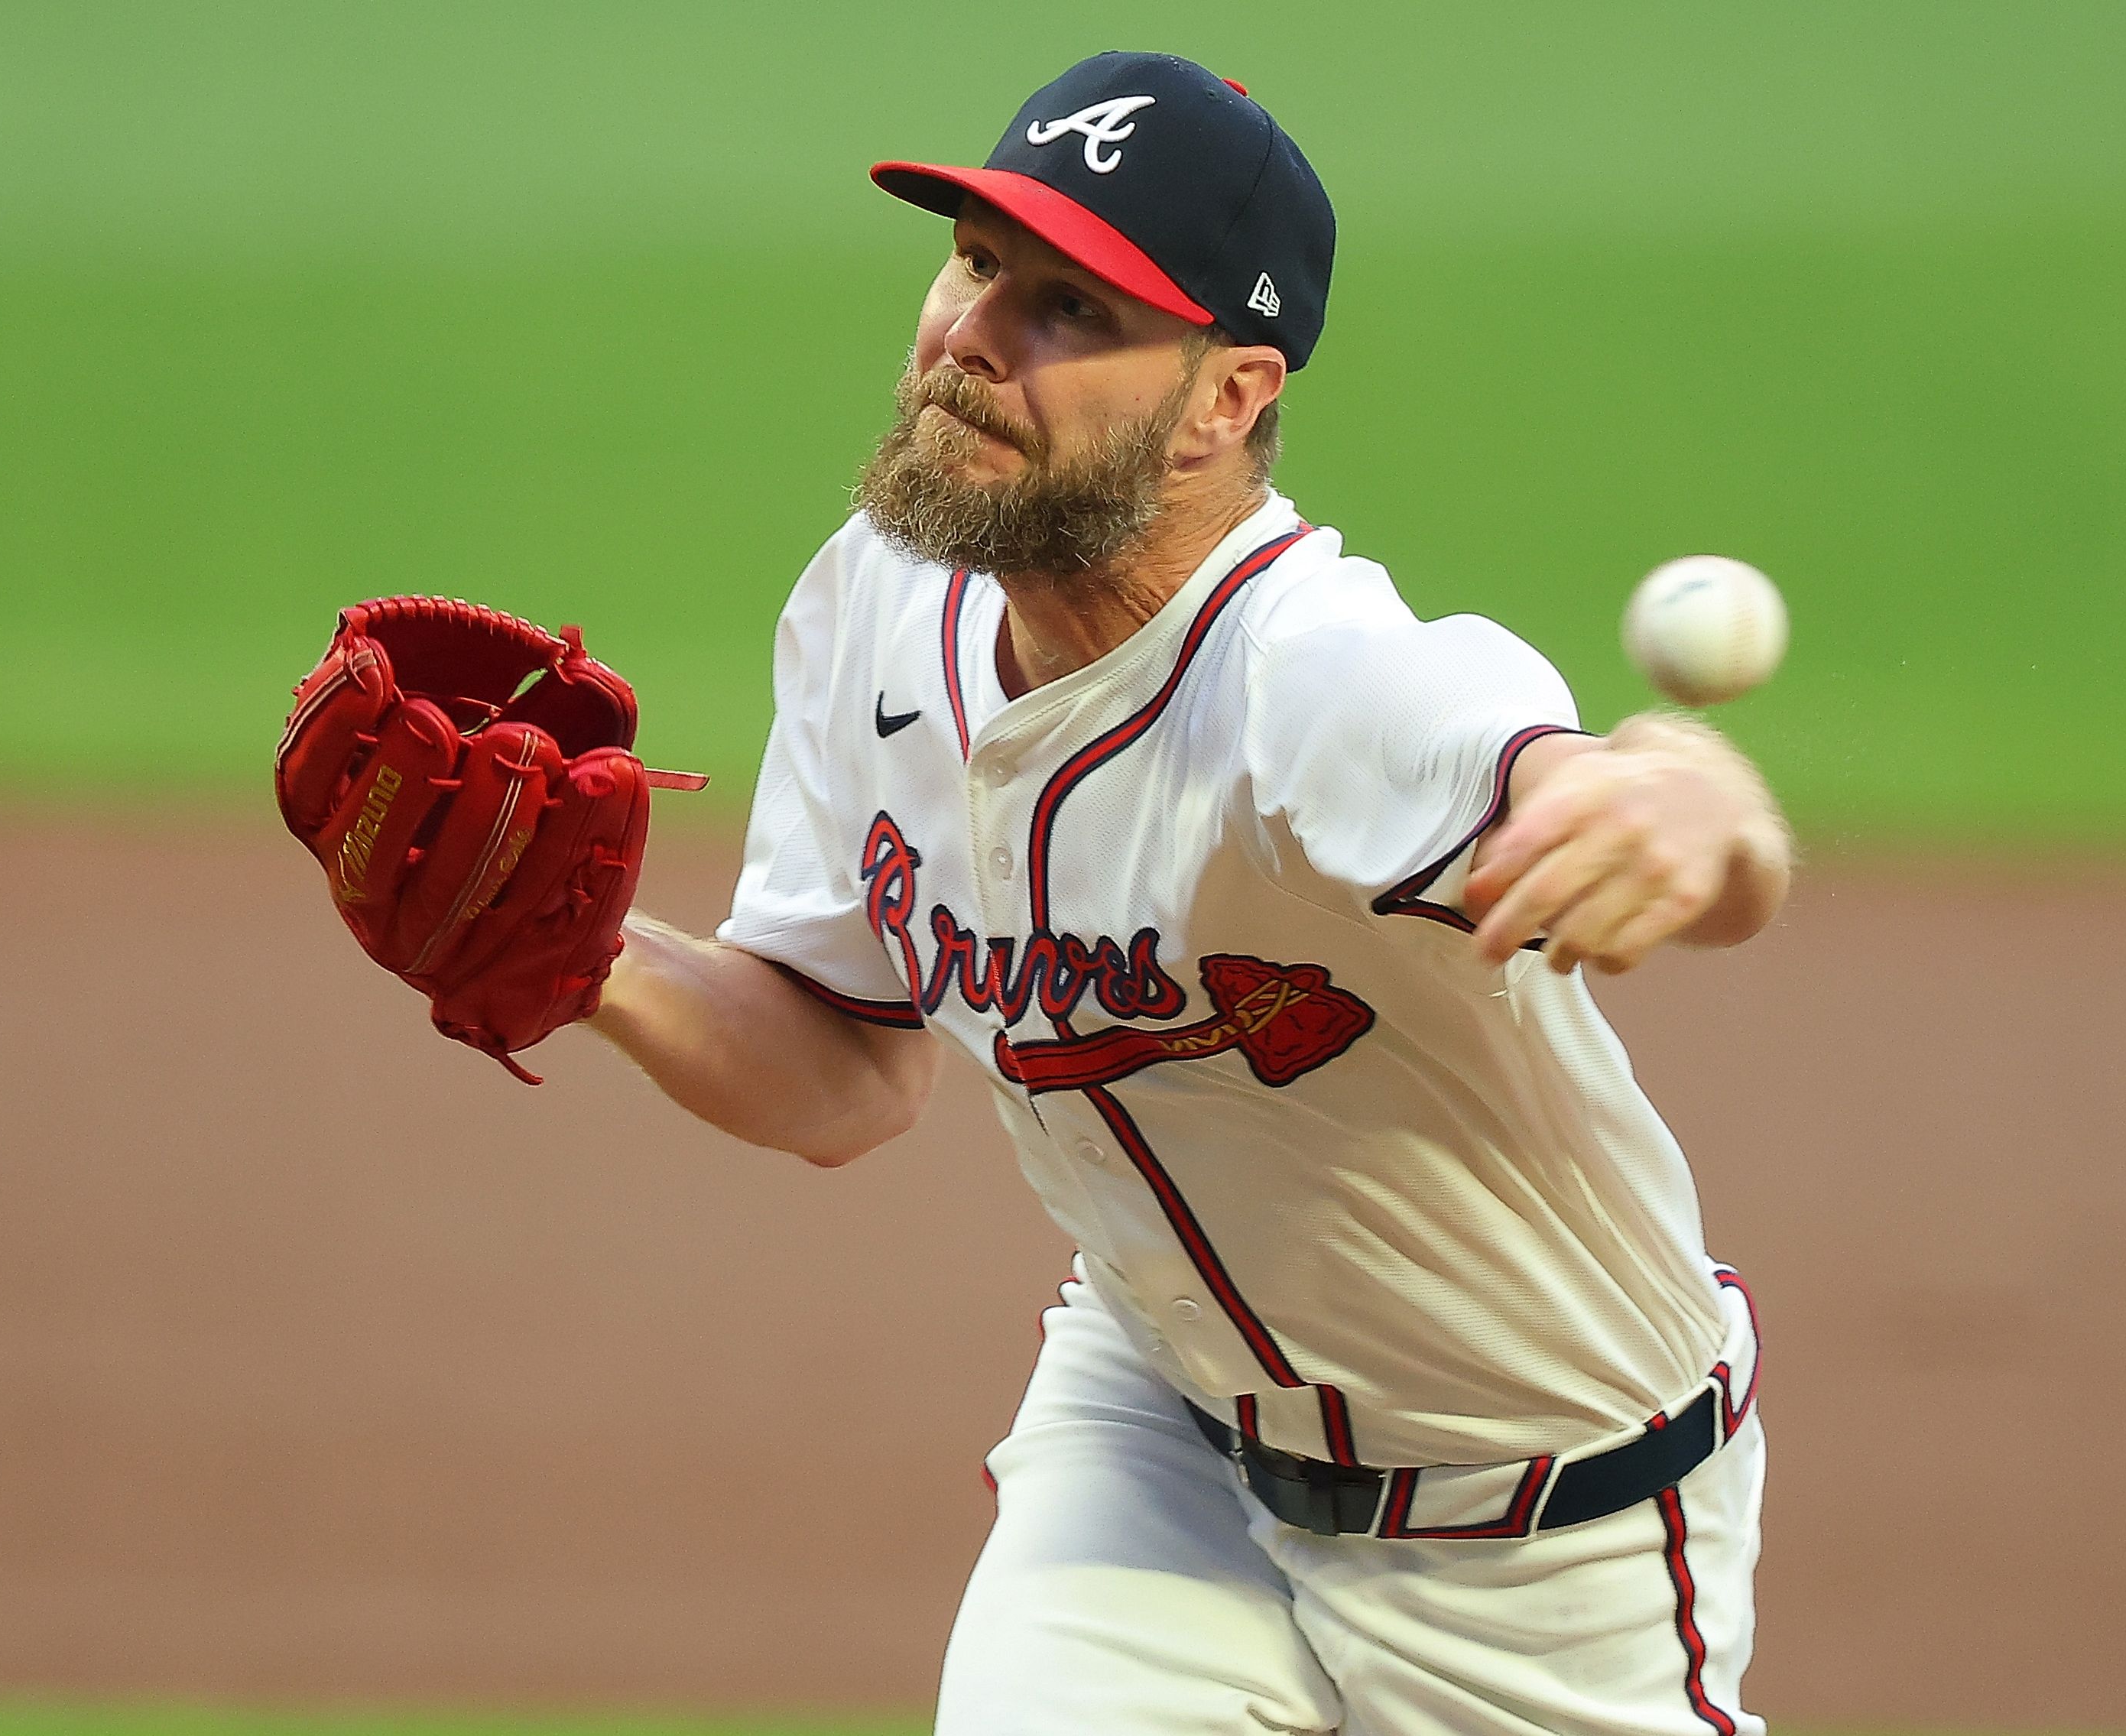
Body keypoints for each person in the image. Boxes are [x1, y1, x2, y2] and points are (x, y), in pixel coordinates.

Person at [589, 50, 1791, 1735]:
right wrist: (587, 957)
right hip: (1160, 1437)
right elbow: (843, 1066)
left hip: (1545, 1533)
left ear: (1225, 399)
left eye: (1068, 307)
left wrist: (1683, 789)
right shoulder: (880, 601)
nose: (971, 337)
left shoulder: (1306, 675)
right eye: (976, 263)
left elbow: (1565, 772)